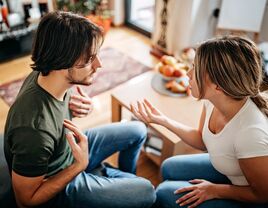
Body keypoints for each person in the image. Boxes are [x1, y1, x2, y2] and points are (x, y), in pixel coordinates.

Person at [4, 11, 156, 208]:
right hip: (58, 180)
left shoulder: (45, 74)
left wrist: (76, 107)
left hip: (68, 151)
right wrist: (79, 166)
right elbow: (25, 201)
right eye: (89, 58)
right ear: (63, 60)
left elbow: (53, 110)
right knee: (148, 191)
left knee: (138, 130)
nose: (98, 64)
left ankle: (114, 181)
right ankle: (105, 177)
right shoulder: (35, 130)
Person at [131, 36, 268, 208]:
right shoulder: (212, 100)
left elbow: (262, 194)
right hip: (231, 172)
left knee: (164, 193)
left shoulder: (251, 133)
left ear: (218, 86)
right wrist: (162, 120)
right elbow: (202, 140)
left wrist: (215, 190)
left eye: (195, 68)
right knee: (168, 167)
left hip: (251, 198)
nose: (188, 73)